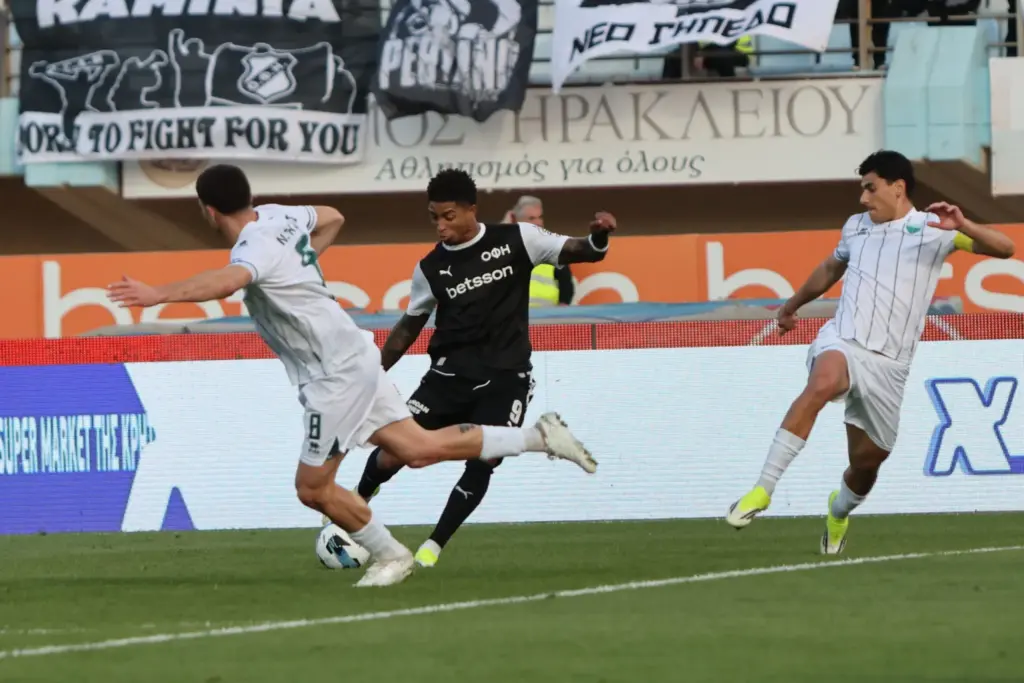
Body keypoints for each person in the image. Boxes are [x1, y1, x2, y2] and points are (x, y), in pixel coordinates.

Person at [105, 164, 599, 587]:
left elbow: (229, 280)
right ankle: (539, 438)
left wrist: (158, 294)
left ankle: (391, 555)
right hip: (356, 353)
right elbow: (332, 216)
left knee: (312, 488)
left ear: (208, 211)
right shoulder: (277, 216)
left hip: (333, 374)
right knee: (416, 449)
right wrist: (299, 266)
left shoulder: (252, 247)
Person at [725, 150, 1015, 554]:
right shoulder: (855, 227)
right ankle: (763, 489)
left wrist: (963, 224)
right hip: (844, 339)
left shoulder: (935, 229)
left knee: (866, 463)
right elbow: (831, 268)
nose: (863, 198)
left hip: (890, 366)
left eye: (870, 188)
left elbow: (1005, 249)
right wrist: (791, 305)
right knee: (822, 383)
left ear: (898, 188)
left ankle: (838, 511)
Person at [353, 168, 616, 568]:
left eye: (448, 216)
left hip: (506, 376)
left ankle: (432, 548)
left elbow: (585, 251)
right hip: (448, 377)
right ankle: (354, 504)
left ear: (471, 209)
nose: (441, 226)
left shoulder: (519, 238)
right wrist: (372, 375)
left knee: (485, 460)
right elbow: (408, 327)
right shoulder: (431, 267)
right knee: (397, 452)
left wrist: (598, 237)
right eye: (434, 218)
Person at [501, 196, 576, 307]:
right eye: (531, 218)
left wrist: (561, 311)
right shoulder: (506, 248)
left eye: (540, 217)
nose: (538, 222)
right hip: (516, 316)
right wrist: (505, 225)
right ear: (517, 221)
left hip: (547, 315)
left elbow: (566, 287)